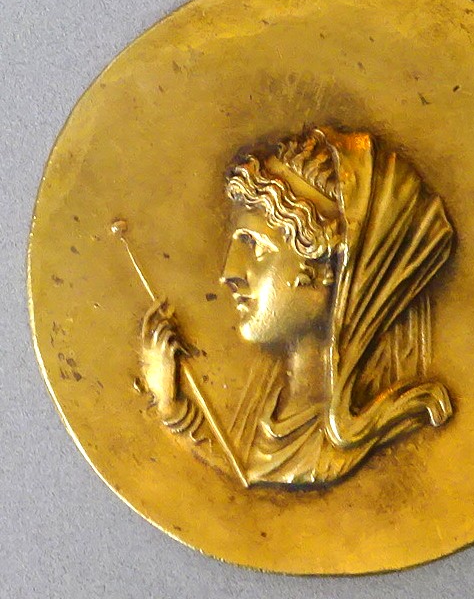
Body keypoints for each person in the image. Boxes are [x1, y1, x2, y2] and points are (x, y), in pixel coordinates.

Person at [141, 126, 455, 486]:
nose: (229, 274)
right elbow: (244, 477)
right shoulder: (269, 412)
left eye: (256, 247)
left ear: (328, 269)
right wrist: (172, 408)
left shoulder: (383, 433)